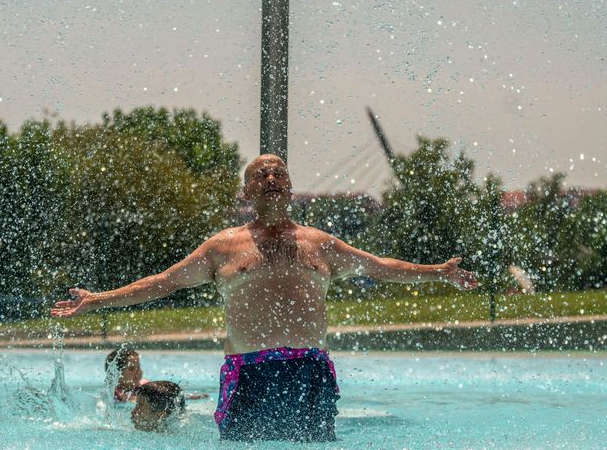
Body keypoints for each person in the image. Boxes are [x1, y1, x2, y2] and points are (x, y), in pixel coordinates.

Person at [52, 154, 479, 441]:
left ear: (290, 186)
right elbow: (164, 281)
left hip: (309, 371)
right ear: (247, 192)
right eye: (260, 174)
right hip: (248, 374)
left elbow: (380, 266)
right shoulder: (222, 247)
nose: (270, 178)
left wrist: (437, 273)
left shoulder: (321, 243)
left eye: (278, 173)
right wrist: (97, 299)